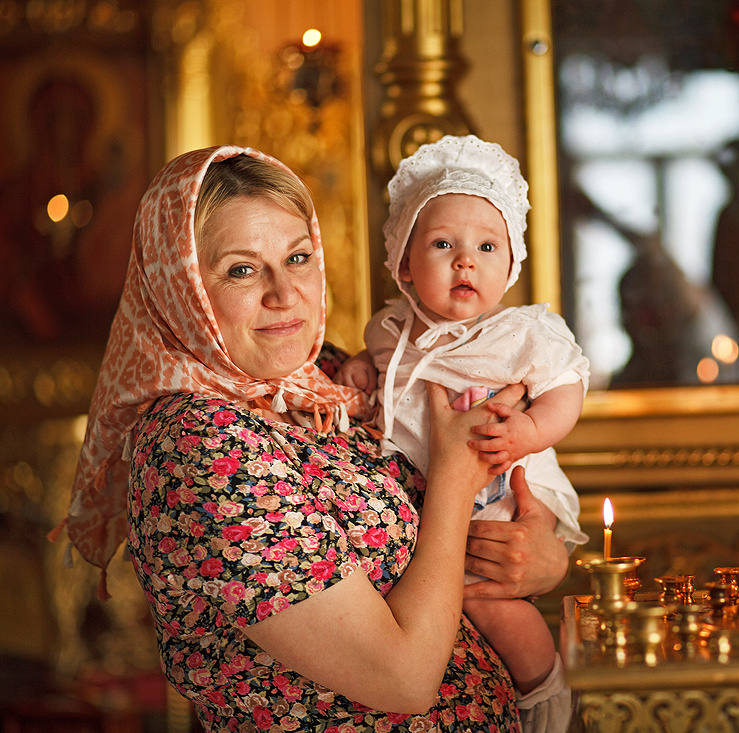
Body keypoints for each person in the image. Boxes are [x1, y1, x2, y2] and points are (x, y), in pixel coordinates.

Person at [54, 145, 572, 731]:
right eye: (242, 269)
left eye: (298, 257)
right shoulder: (197, 445)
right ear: (180, 287)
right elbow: (404, 680)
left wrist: (536, 557)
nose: (284, 292)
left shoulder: (323, 377)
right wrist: (458, 474)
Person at [334, 135, 588, 732]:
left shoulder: (523, 334)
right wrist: (362, 373)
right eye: (442, 244)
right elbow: (379, 377)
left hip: (508, 484)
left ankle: (546, 696)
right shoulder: (389, 331)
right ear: (403, 264)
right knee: (450, 601)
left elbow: (568, 387)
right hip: (435, 500)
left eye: (485, 246)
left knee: (486, 600)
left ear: (510, 264)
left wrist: (528, 429)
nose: (464, 260)